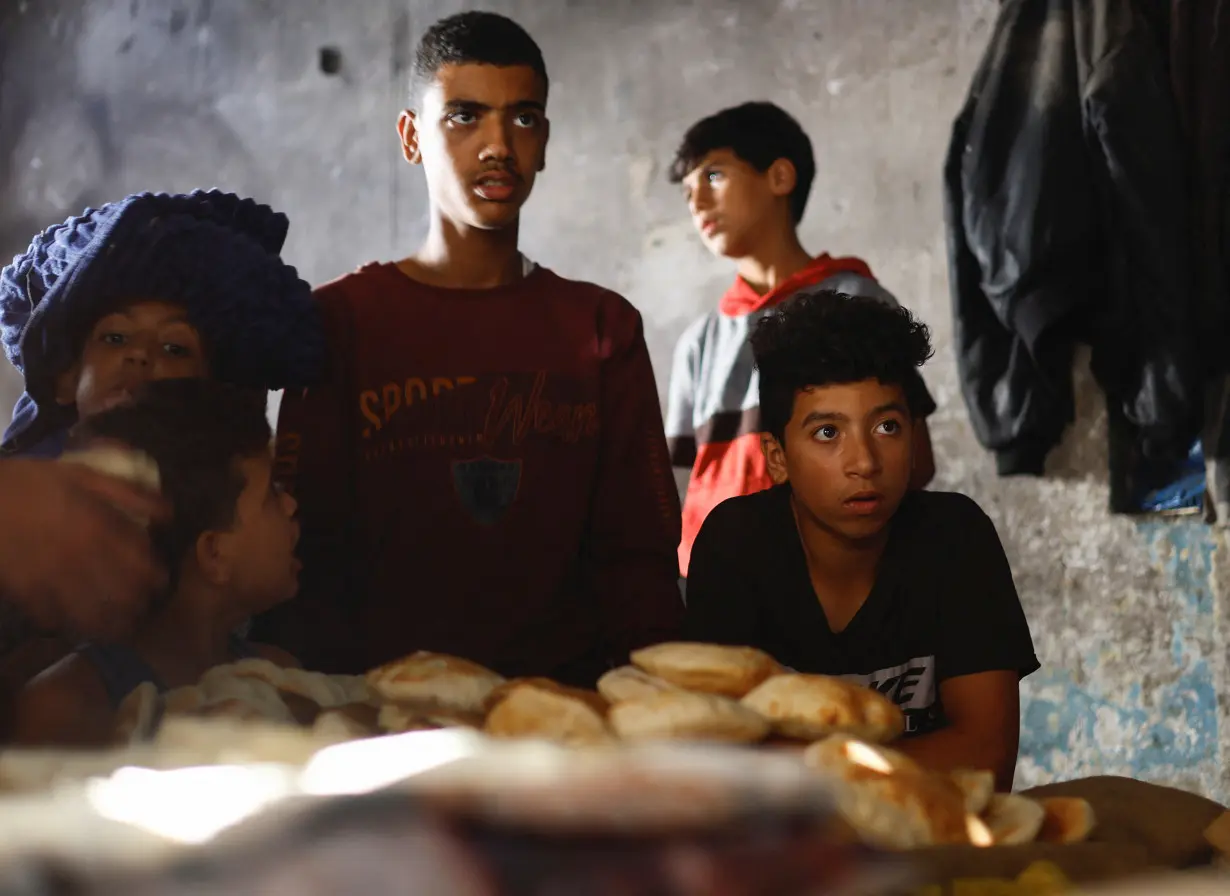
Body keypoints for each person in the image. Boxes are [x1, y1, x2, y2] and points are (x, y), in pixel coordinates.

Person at [252, 11, 683, 685]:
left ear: (544, 139)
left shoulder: (603, 326)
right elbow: (307, 557)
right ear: (410, 137)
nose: (497, 146)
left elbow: (640, 561)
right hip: (382, 721)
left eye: (523, 118)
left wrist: (642, 712)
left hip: (566, 719)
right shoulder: (339, 322)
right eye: (464, 116)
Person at [684, 289, 1036, 790]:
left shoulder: (955, 538)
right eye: (828, 433)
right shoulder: (736, 546)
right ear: (777, 456)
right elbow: (725, 763)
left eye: (887, 426)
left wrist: (802, 766)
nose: (865, 462)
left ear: (914, 438)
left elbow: (987, 757)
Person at [0, 189, 322, 702]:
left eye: (174, 347)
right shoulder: (25, 506)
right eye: (114, 338)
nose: (141, 358)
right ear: (65, 380)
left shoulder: (239, 505)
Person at [665, 102, 937, 577]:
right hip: (712, 586)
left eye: (713, 177)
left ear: (780, 177)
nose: (697, 204)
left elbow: (915, 462)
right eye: (687, 192)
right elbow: (677, 489)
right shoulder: (699, 341)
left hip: (828, 581)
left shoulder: (855, 300)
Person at [12, 378, 301, 747]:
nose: (291, 503)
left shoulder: (282, 676)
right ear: (213, 553)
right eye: (271, 494)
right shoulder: (67, 708)